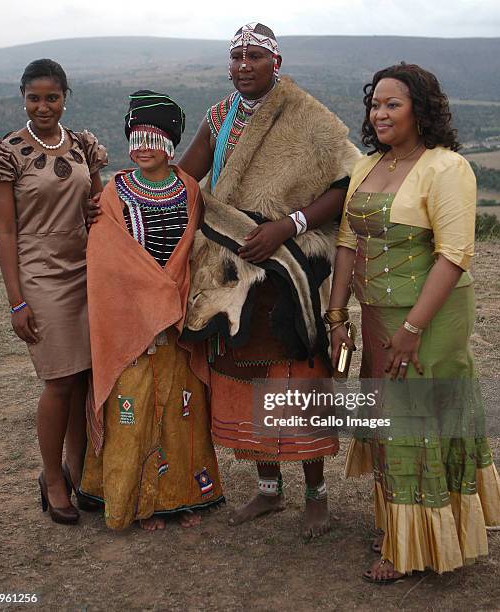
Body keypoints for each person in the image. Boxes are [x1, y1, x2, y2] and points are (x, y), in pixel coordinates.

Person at [178, 23, 360, 540]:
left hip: (290, 263)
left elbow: (347, 180)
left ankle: (316, 495)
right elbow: (187, 179)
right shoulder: (220, 116)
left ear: (274, 63)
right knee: (243, 377)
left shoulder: (308, 115)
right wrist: (130, 194)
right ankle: (268, 489)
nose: (242, 64)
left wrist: (287, 225)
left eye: (254, 55)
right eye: (235, 55)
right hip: (233, 267)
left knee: (294, 375)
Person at [328, 63, 500, 582]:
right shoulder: (367, 165)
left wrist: (413, 329)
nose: (379, 113)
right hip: (380, 314)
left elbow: (453, 256)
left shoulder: (446, 168)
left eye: (393, 104)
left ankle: (419, 546)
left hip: (431, 315)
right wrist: (338, 314)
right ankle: (404, 525)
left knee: (414, 421)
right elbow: (345, 242)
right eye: (375, 103)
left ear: (419, 111)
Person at [79, 91, 224, 531]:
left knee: (183, 408)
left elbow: (194, 252)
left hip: (178, 320)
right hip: (132, 323)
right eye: (135, 138)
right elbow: (107, 259)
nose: (142, 148)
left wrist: (175, 298)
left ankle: (180, 497)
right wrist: (148, 298)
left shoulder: (190, 189)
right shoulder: (114, 191)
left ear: (170, 145)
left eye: (152, 139)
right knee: (133, 407)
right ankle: (137, 501)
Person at [0, 59, 107, 524]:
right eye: (34, 98)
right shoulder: (6, 153)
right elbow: (5, 233)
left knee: (84, 377)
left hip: (85, 269)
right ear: (22, 98)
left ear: (65, 96)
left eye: (51, 97)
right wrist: (17, 300)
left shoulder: (83, 147)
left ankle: (79, 471)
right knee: (59, 380)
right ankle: (52, 478)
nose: (42, 106)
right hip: (39, 273)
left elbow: (98, 205)